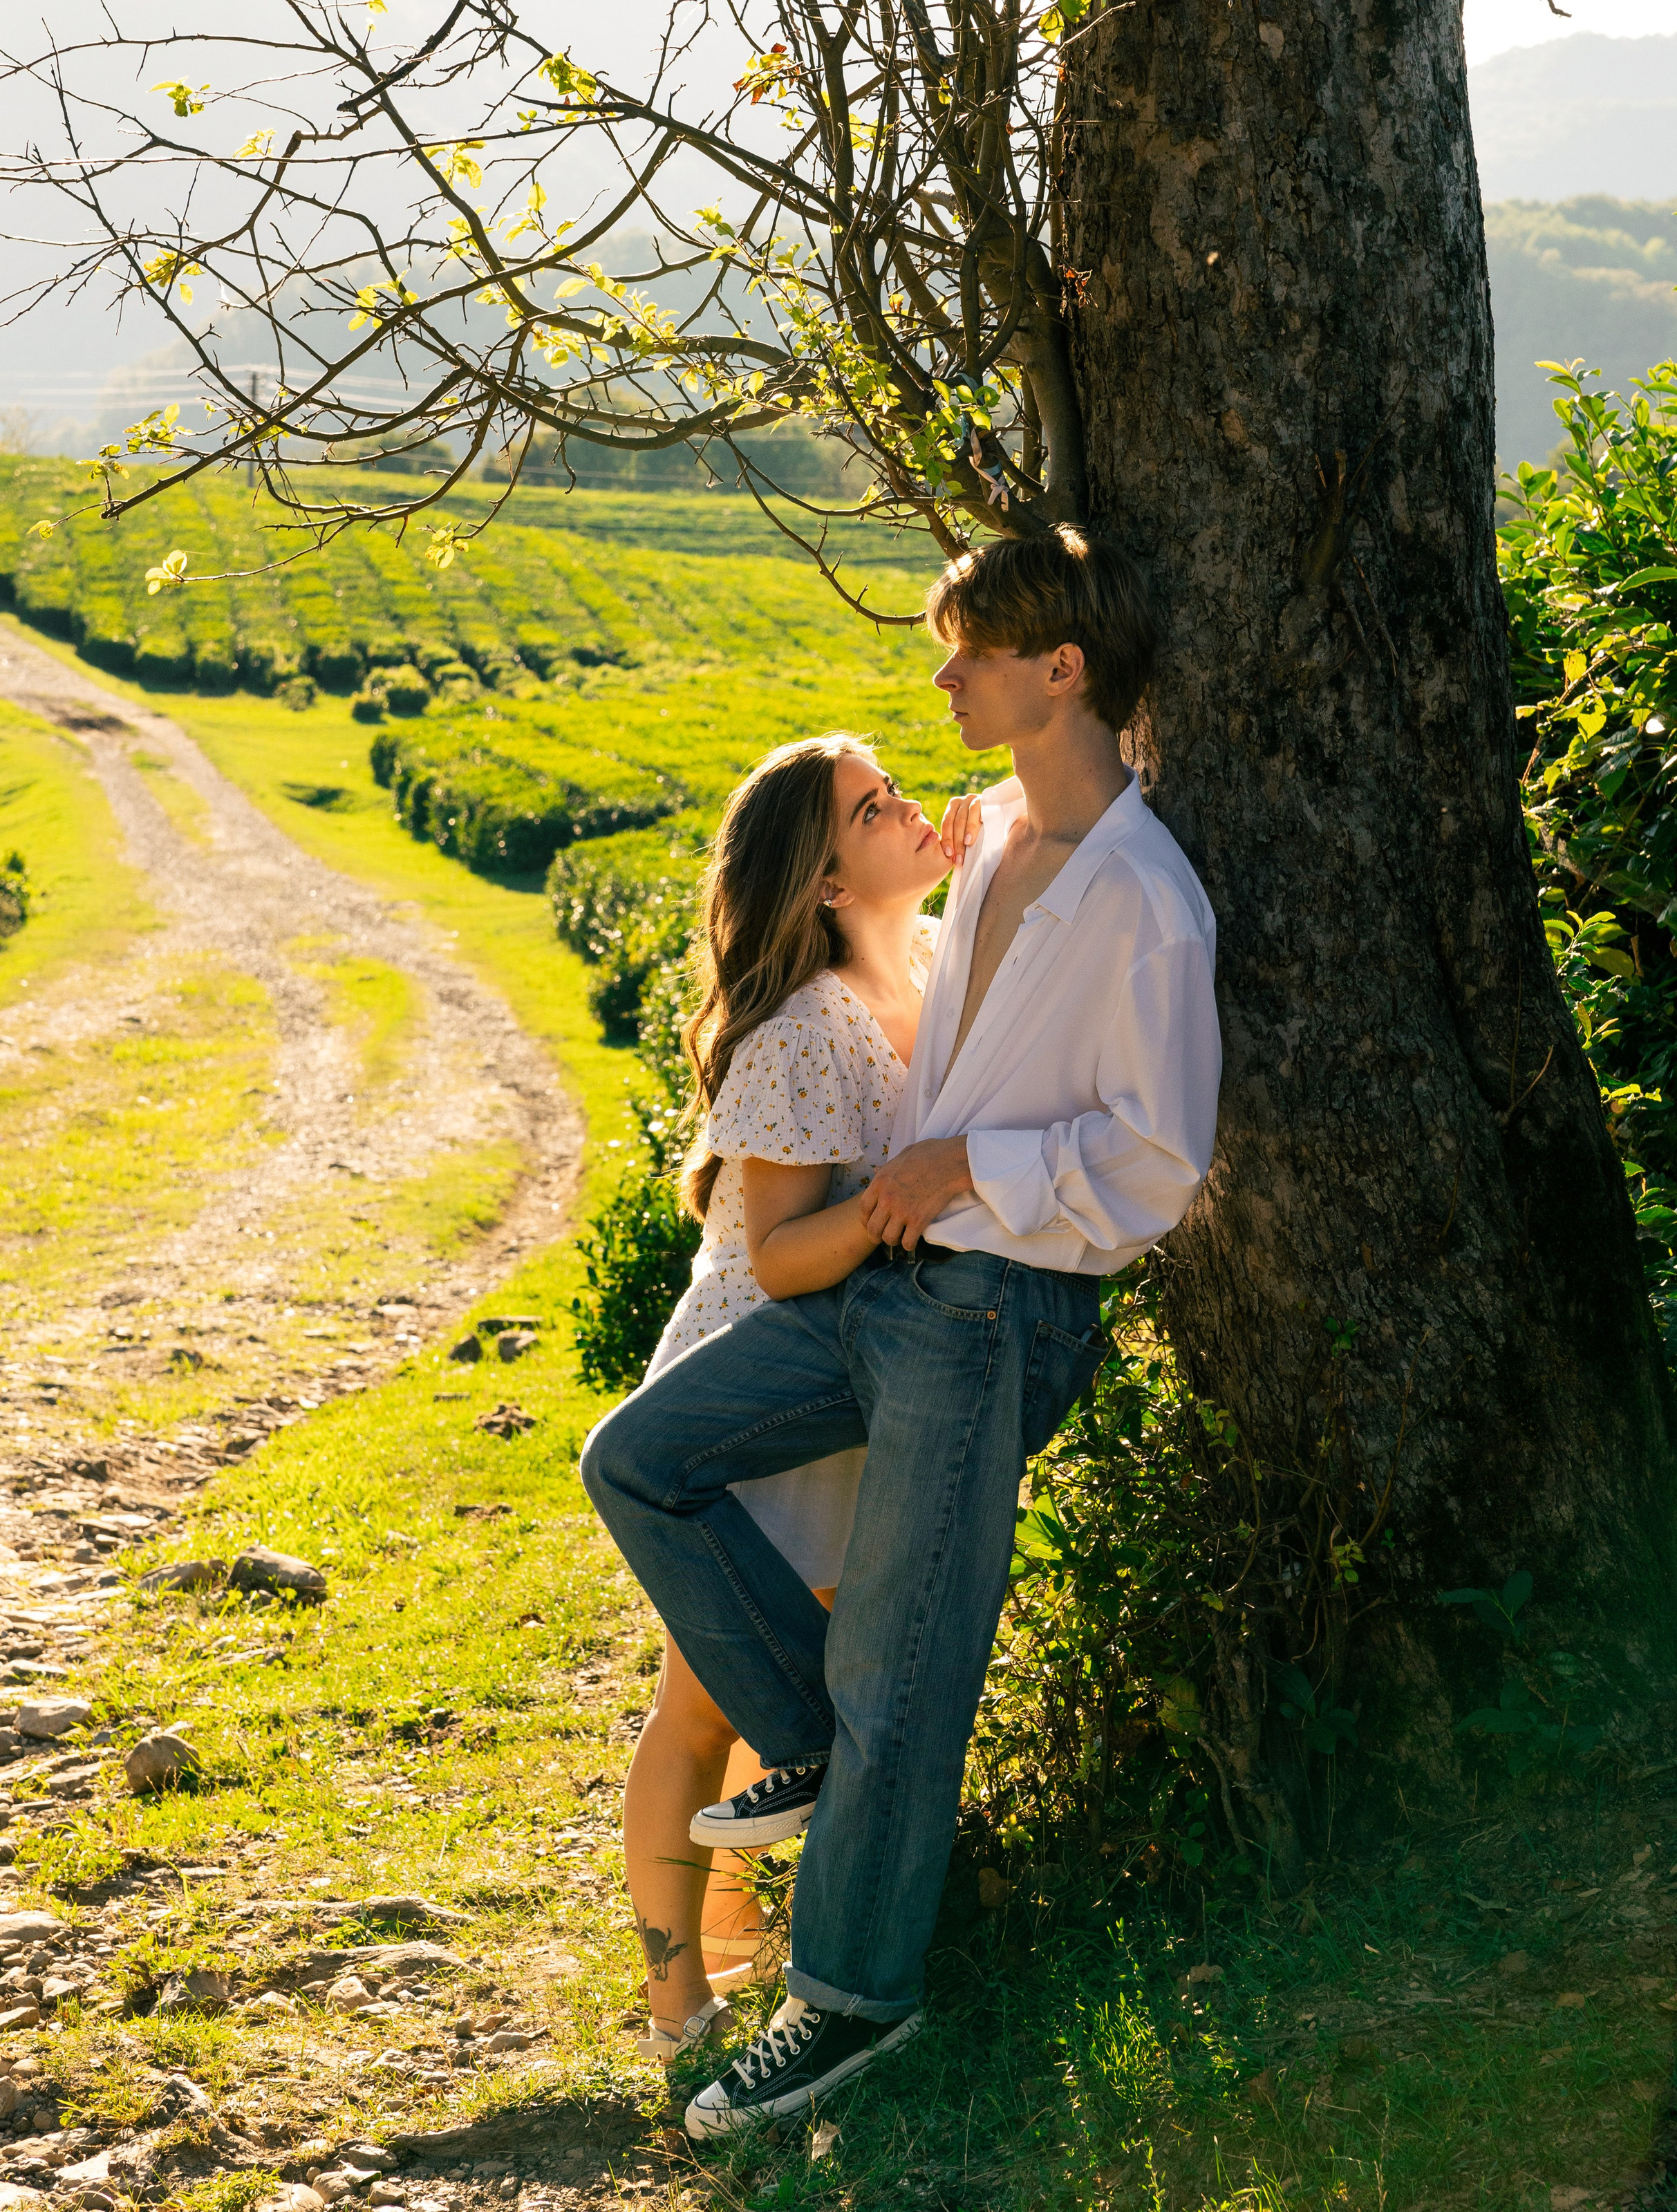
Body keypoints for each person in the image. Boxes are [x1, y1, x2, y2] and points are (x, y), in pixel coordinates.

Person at [582, 525, 1221, 2137]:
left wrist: (968, 1168)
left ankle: (849, 2000)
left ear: (1057, 669)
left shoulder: (1145, 899)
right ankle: (809, 1745)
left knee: (902, 1665)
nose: (943, 675)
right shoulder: (995, 836)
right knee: (640, 1455)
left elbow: (1156, 1165)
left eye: (969, 650)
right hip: (884, 1287)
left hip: (994, 1304)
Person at [616, 731, 952, 2063]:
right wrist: (904, 1201)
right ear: (824, 877)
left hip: (851, 1377)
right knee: (704, 1702)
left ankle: (747, 1952)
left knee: (787, 1690)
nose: (913, 807)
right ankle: (675, 2002)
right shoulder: (805, 1028)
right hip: (751, 1387)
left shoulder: (928, 966)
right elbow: (780, 1254)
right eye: (878, 806)